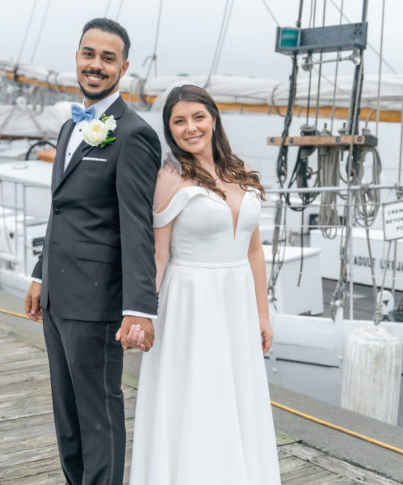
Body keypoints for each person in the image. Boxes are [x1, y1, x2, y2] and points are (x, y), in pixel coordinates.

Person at [24, 18, 161, 485]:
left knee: (97, 413)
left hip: (97, 301)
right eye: (89, 54)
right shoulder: (69, 127)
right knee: (67, 416)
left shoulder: (135, 135)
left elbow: (137, 226)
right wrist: (40, 274)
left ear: (124, 66)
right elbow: (61, 210)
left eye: (108, 58)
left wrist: (139, 308)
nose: (96, 65)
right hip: (57, 297)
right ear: (77, 58)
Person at [128, 84, 281, 484]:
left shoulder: (239, 171)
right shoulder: (170, 177)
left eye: (198, 117)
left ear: (214, 119)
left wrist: (262, 315)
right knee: (196, 396)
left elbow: (254, 251)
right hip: (190, 303)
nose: (190, 127)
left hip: (237, 301)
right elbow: (158, 256)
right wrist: (141, 314)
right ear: (169, 129)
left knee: (236, 394)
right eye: (179, 121)